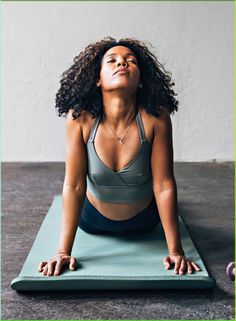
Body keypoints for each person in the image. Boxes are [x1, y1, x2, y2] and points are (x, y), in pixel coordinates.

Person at [38, 36, 201, 277]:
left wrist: (176, 251)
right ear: (97, 79)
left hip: (145, 221)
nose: (121, 64)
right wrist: (63, 252)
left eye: (130, 61)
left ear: (141, 80)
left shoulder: (155, 118)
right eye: (112, 61)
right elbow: (74, 185)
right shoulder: (79, 118)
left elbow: (164, 184)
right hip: (92, 220)